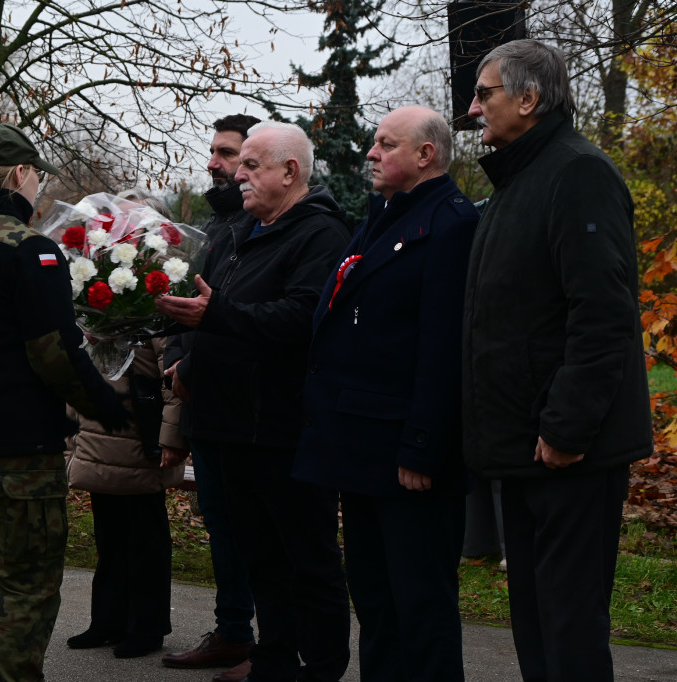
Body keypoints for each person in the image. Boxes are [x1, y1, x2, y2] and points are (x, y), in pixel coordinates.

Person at [463, 39, 652, 682]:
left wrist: (566, 429)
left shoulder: (578, 173)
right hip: (524, 447)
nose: (474, 106)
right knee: (535, 625)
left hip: (568, 452)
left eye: (485, 93)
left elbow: (602, 315)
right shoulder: (519, 181)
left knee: (569, 632)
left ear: (529, 98)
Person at [0, 122, 128, 682]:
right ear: (20, 175)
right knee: (23, 584)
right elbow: (54, 351)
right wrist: (109, 407)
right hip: (12, 447)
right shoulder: (29, 250)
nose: (40, 187)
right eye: (38, 176)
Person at [156, 121, 352, 682]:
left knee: (307, 560)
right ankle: (272, 658)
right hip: (228, 426)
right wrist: (184, 357)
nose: (237, 174)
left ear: (290, 172)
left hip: (283, 430)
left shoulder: (320, 234)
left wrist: (215, 318)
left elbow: (302, 318)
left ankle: (319, 666)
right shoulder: (240, 232)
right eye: (238, 164)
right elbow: (208, 309)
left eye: (251, 165)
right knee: (261, 558)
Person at [294, 106, 478, 681]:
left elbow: (443, 348)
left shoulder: (449, 223)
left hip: (406, 456)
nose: (370, 153)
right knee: (376, 602)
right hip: (363, 448)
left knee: (420, 608)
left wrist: (422, 447)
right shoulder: (386, 216)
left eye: (385, 144)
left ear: (425, 155)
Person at [65, 188, 185, 660]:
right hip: (102, 429)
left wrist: (172, 437)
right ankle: (107, 620)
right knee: (109, 531)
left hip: (143, 427)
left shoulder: (160, 288)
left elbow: (174, 376)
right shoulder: (101, 280)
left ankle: (147, 626)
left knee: (145, 534)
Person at [161, 114, 259, 682]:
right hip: (205, 399)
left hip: (248, 409)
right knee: (220, 522)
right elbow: (187, 299)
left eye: (229, 154)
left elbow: (245, 313)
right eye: (217, 152)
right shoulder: (217, 228)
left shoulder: (264, 226)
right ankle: (232, 632)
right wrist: (178, 355)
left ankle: (264, 645)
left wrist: (194, 360)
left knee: (252, 530)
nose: (213, 163)